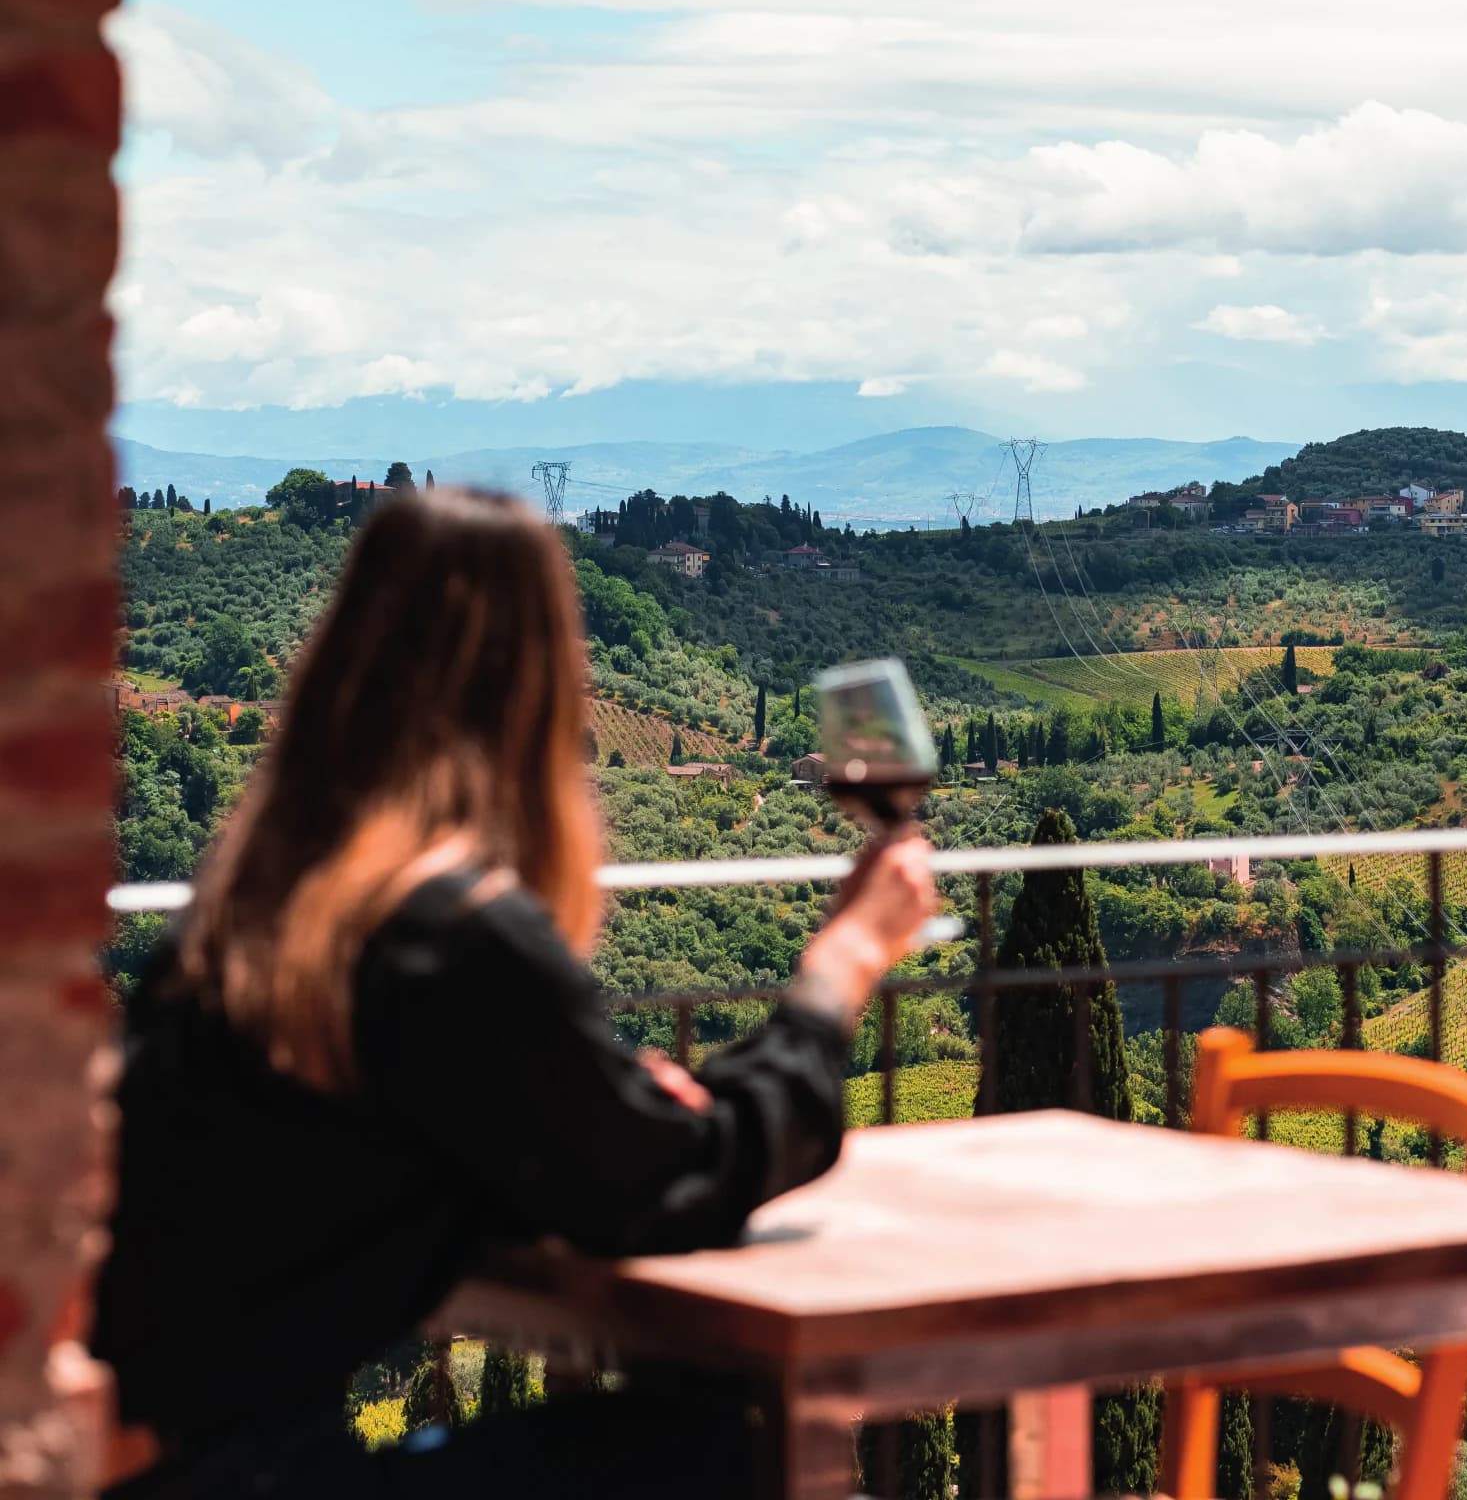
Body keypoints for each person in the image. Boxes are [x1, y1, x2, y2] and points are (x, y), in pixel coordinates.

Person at [90, 488, 935, 1497]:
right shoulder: (448, 933)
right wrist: (840, 964)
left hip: (145, 1468)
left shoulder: (253, 920)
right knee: (720, 1447)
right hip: (244, 1479)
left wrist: (589, 1109)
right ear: (534, 688)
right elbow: (679, 1193)